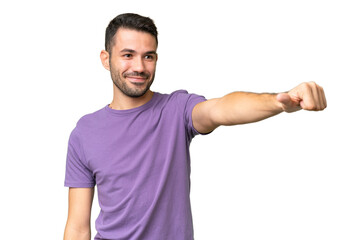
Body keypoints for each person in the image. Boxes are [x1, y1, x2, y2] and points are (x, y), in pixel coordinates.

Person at [63, 13, 327, 240]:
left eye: (149, 56)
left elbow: (221, 108)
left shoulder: (176, 110)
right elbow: (77, 228)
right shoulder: (84, 132)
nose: (139, 67)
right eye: (128, 55)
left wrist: (278, 102)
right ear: (106, 59)